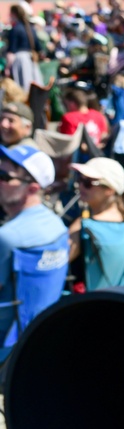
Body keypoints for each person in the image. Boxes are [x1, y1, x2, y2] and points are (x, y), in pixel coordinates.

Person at [0, 145, 66, 339]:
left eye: (4, 177)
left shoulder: (8, 237)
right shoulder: (58, 226)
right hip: (41, 336)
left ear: (33, 188)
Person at [66, 158, 124, 290]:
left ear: (109, 190)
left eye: (88, 183)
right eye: (79, 179)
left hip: (97, 303)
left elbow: (54, 262)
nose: (79, 186)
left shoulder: (84, 226)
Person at [6, 4, 41, 93]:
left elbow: (11, 52)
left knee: (23, 88)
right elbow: (39, 48)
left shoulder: (15, 29)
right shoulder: (31, 28)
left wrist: (7, 68)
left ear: (14, 14)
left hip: (20, 61)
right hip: (31, 59)